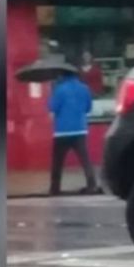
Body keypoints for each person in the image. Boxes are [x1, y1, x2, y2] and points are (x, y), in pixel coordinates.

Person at [47, 67, 98, 195]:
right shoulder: (84, 88)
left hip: (62, 131)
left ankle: (55, 188)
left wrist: (51, 93)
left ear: (63, 76)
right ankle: (92, 185)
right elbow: (88, 108)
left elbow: (52, 109)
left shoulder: (59, 89)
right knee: (85, 160)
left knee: (57, 162)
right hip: (80, 130)